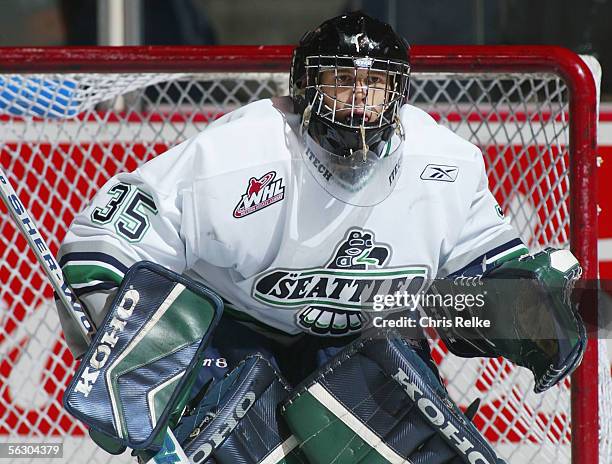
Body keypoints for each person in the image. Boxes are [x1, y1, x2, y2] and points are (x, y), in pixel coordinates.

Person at [57, 12, 585, 463]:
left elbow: (482, 271)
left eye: (374, 84)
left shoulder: (445, 165)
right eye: (341, 81)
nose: (359, 98)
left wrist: (524, 307)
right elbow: (101, 245)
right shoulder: (240, 157)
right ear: (307, 87)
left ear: (397, 90)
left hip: (370, 338)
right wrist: (140, 361)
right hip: (238, 337)